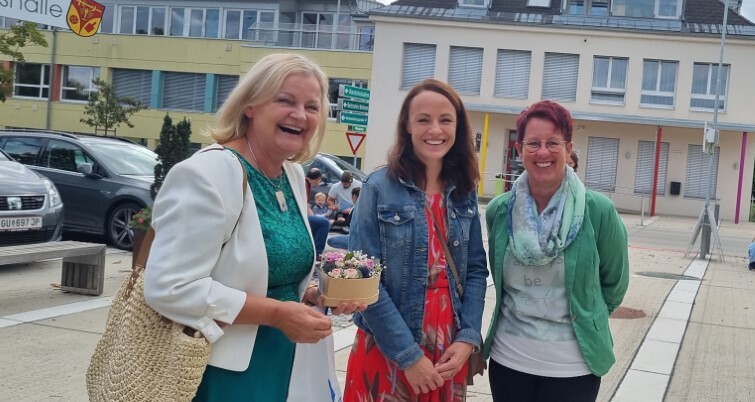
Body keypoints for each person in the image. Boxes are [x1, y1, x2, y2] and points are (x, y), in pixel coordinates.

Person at [142, 53, 365, 401]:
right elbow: (168, 287)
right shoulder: (206, 174)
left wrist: (313, 295)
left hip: (287, 360)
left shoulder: (290, 173)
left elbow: (270, 274)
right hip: (222, 370)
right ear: (250, 105)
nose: (300, 114)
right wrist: (277, 313)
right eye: (285, 100)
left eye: (311, 106)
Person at [343, 79, 489, 401]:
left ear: (458, 127)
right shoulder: (378, 186)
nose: (435, 129)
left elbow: (476, 271)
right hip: (388, 342)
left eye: (445, 120)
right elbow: (360, 279)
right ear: (407, 125)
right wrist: (407, 355)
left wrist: (467, 337)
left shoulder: (464, 190)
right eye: (423, 119)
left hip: (449, 348)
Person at [483, 100, 629, 402]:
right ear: (519, 149)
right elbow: (499, 281)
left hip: (573, 368)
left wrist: (588, 316)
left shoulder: (598, 211)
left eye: (553, 143)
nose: (543, 152)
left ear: (568, 148)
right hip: (508, 362)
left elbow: (614, 284)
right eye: (533, 143)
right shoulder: (499, 211)